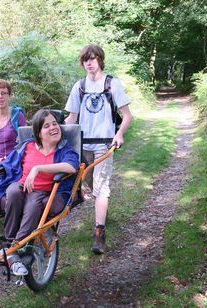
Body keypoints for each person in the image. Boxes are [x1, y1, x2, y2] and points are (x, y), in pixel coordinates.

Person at [64, 44, 134, 255]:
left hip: (104, 144)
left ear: (100, 60)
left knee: (101, 187)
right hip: (82, 144)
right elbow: (71, 118)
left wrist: (119, 134)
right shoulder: (79, 86)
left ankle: (99, 233)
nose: (89, 62)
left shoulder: (112, 84)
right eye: (86, 59)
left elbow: (128, 115)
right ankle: (98, 208)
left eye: (93, 58)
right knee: (88, 186)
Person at [0, 109, 79, 275]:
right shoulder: (28, 146)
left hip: (42, 192)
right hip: (21, 187)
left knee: (33, 203)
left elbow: (72, 166)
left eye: (55, 123)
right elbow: (9, 164)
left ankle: (11, 250)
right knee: (13, 191)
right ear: (39, 133)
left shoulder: (63, 149)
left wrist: (38, 168)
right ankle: (12, 248)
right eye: (47, 126)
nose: (54, 127)